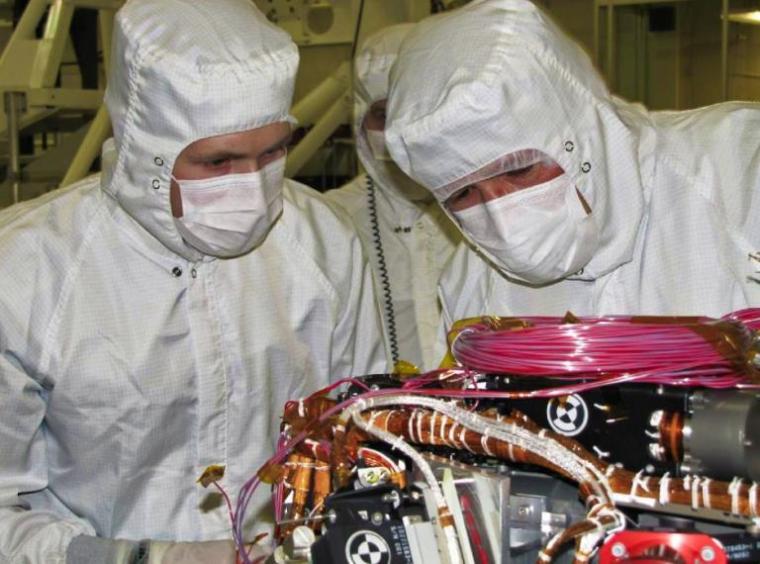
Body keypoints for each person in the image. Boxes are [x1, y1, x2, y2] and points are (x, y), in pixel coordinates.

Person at [0, 0, 386, 562]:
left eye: (273, 151)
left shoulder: (323, 244)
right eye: (218, 162)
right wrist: (146, 558)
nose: (252, 188)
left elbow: (362, 441)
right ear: (145, 152)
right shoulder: (27, 272)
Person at [384, 0, 760, 339]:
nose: (505, 224)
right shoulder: (471, 285)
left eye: (520, 171)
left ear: (581, 130)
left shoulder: (740, 171)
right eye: (462, 194)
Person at [324, 24, 461, 371]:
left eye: (417, 111)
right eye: (384, 115)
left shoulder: (489, 210)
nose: (401, 133)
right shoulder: (333, 222)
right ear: (359, 118)